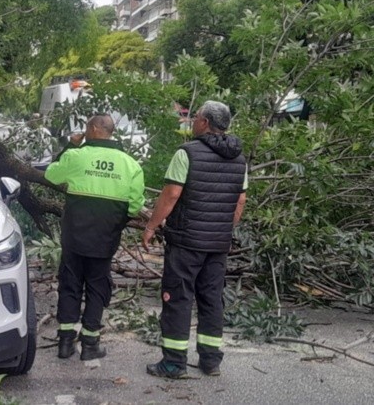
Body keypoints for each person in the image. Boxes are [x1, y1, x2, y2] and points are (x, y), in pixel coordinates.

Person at [142, 100, 248, 378]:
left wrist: (152, 226)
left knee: (177, 298)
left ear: (204, 122)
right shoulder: (239, 158)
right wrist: (223, 228)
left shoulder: (187, 153)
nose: (193, 121)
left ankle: (174, 363)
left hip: (186, 242)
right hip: (218, 243)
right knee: (211, 299)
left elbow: (172, 194)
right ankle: (211, 360)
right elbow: (240, 200)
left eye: (196, 117)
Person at [44, 115, 145, 360]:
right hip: (105, 236)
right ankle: (90, 345)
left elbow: (51, 175)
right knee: (98, 286)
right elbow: (134, 206)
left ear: (91, 129)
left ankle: (65, 343)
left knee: (70, 283)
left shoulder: (76, 156)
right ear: (110, 132)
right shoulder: (131, 165)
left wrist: (71, 145)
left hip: (74, 235)